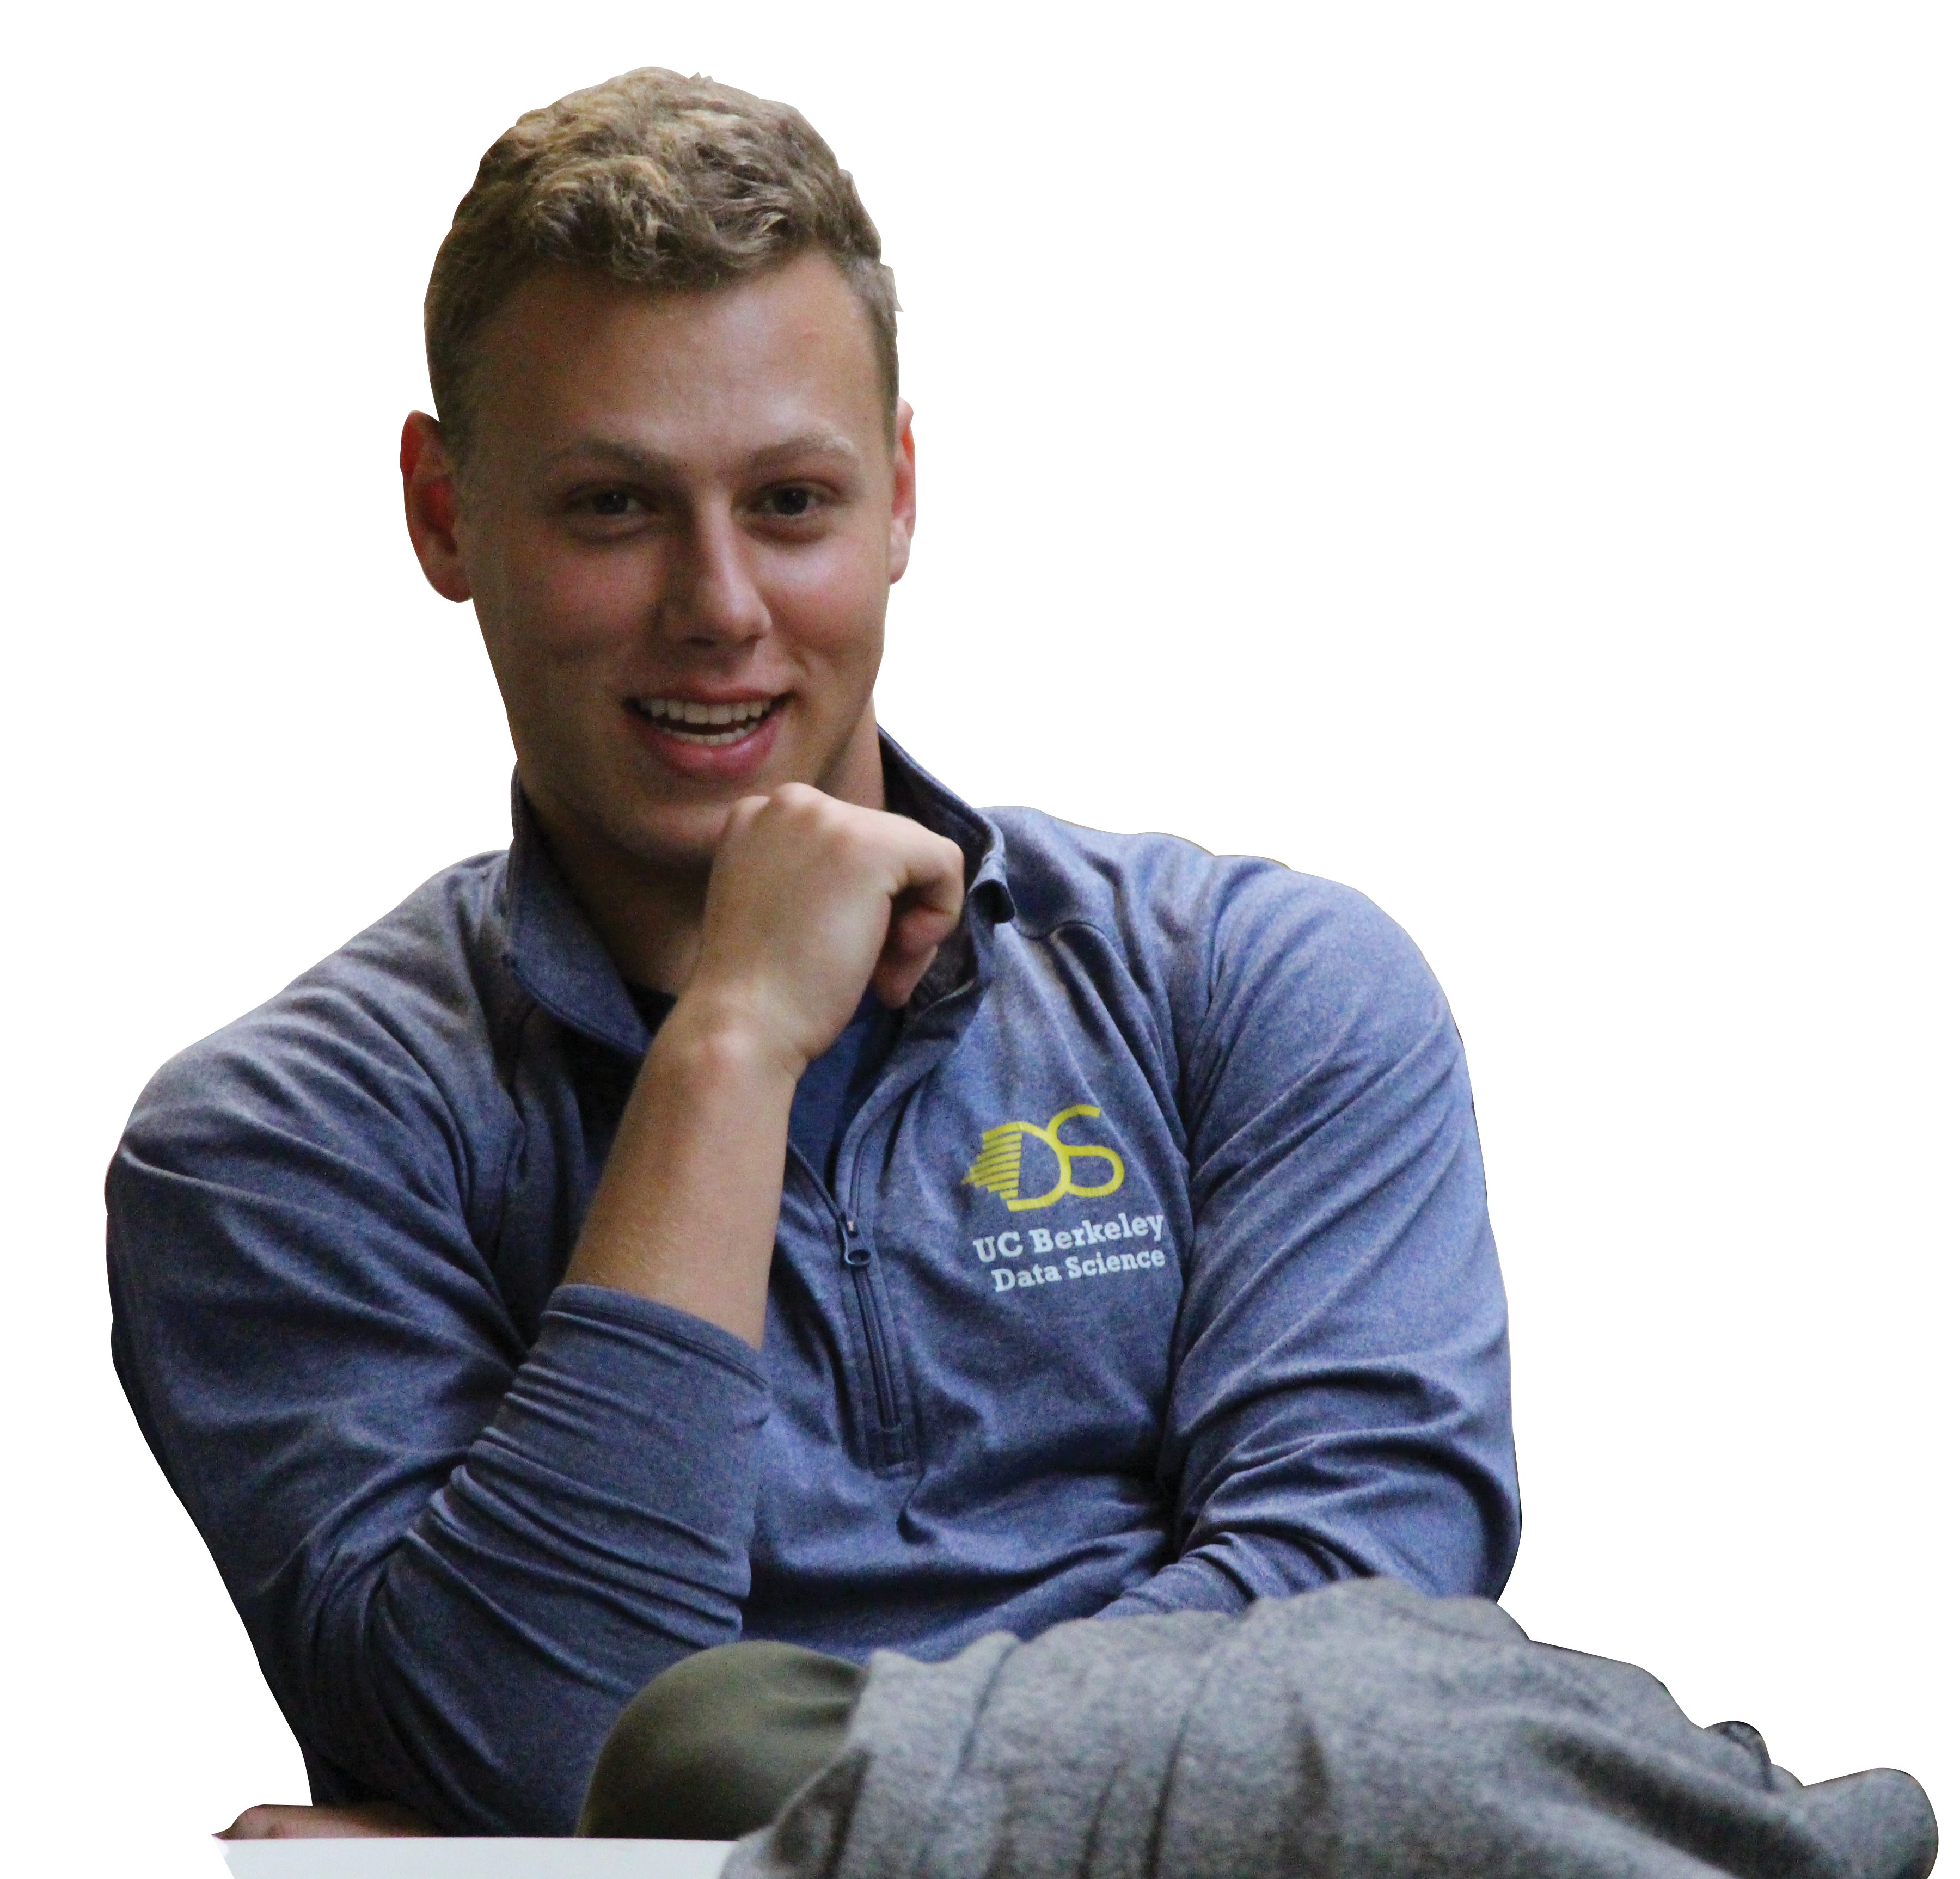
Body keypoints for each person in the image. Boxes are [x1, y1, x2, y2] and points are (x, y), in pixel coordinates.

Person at [107, 68, 1518, 1838]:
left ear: (904, 492)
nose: (718, 605)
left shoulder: (1258, 988)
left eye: (790, 502)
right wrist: (733, 1043)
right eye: (613, 508)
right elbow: (552, 1733)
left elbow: (1373, 1643)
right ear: (445, 512)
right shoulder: (274, 1147)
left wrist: (731, 1817)